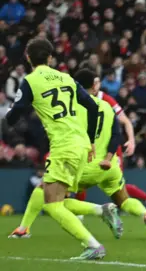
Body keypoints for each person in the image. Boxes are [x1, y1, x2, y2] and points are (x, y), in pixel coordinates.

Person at [4, 39, 106, 259]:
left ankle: (93, 245)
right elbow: (92, 107)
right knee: (56, 197)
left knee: (51, 204)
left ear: (28, 57)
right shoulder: (67, 78)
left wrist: (12, 115)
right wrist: (90, 141)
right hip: (80, 145)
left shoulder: (30, 81)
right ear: (50, 58)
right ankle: (101, 211)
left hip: (63, 146)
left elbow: (14, 116)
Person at [73, 72, 146, 216]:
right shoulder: (78, 100)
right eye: (95, 82)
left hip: (110, 149)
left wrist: (131, 140)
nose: (97, 86)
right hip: (89, 147)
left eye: (98, 82)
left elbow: (125, 121)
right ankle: (81, 214)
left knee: (115, 186)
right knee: (81, 183)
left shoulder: (106, 100)